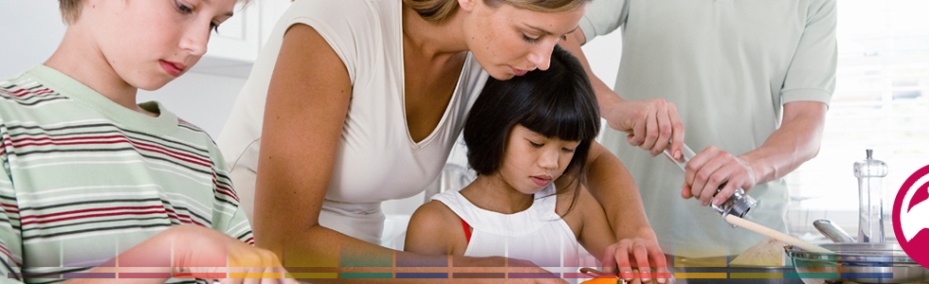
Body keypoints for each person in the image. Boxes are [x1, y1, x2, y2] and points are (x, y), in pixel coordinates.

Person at [217, 0, 668, 282]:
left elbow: (589, 157)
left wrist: (633, 237)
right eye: (532, 35)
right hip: (252, 251)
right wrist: (474, 273)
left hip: (355, 253)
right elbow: (287, 242)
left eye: (557, 38)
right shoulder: (338, 24)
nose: (543, 58)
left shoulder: (491, 56)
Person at [0, 0, 293, 282]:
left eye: (215, 25)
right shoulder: (8, 123)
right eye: (184, 7)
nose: (199, 45)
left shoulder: (200, 152)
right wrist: (175, 252)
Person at [560, 0, 837, 258]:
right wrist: (612, 106)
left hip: (750, 244)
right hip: (634, 233)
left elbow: (806, 121)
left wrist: (751, 167)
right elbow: (558, 32)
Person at [404, 46, 612, 278]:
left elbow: (629, 269)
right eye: (536, 143)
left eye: (567, 149)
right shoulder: (438, 225)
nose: (550, 163)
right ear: (495, 125)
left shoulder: (569, 202)